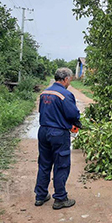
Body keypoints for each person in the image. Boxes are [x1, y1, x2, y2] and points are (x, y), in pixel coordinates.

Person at [34, 68, 80, 209]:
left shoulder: (44, 93)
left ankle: (40, 196)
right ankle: (60, 198)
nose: (69, 83)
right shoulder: (65, 94)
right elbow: (73, 114)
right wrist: (76, 123)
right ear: (65, 79)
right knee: (61, 165)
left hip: (43, 131)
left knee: (44, 163)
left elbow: (42, 111)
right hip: (58, 134)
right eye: (70, 80)